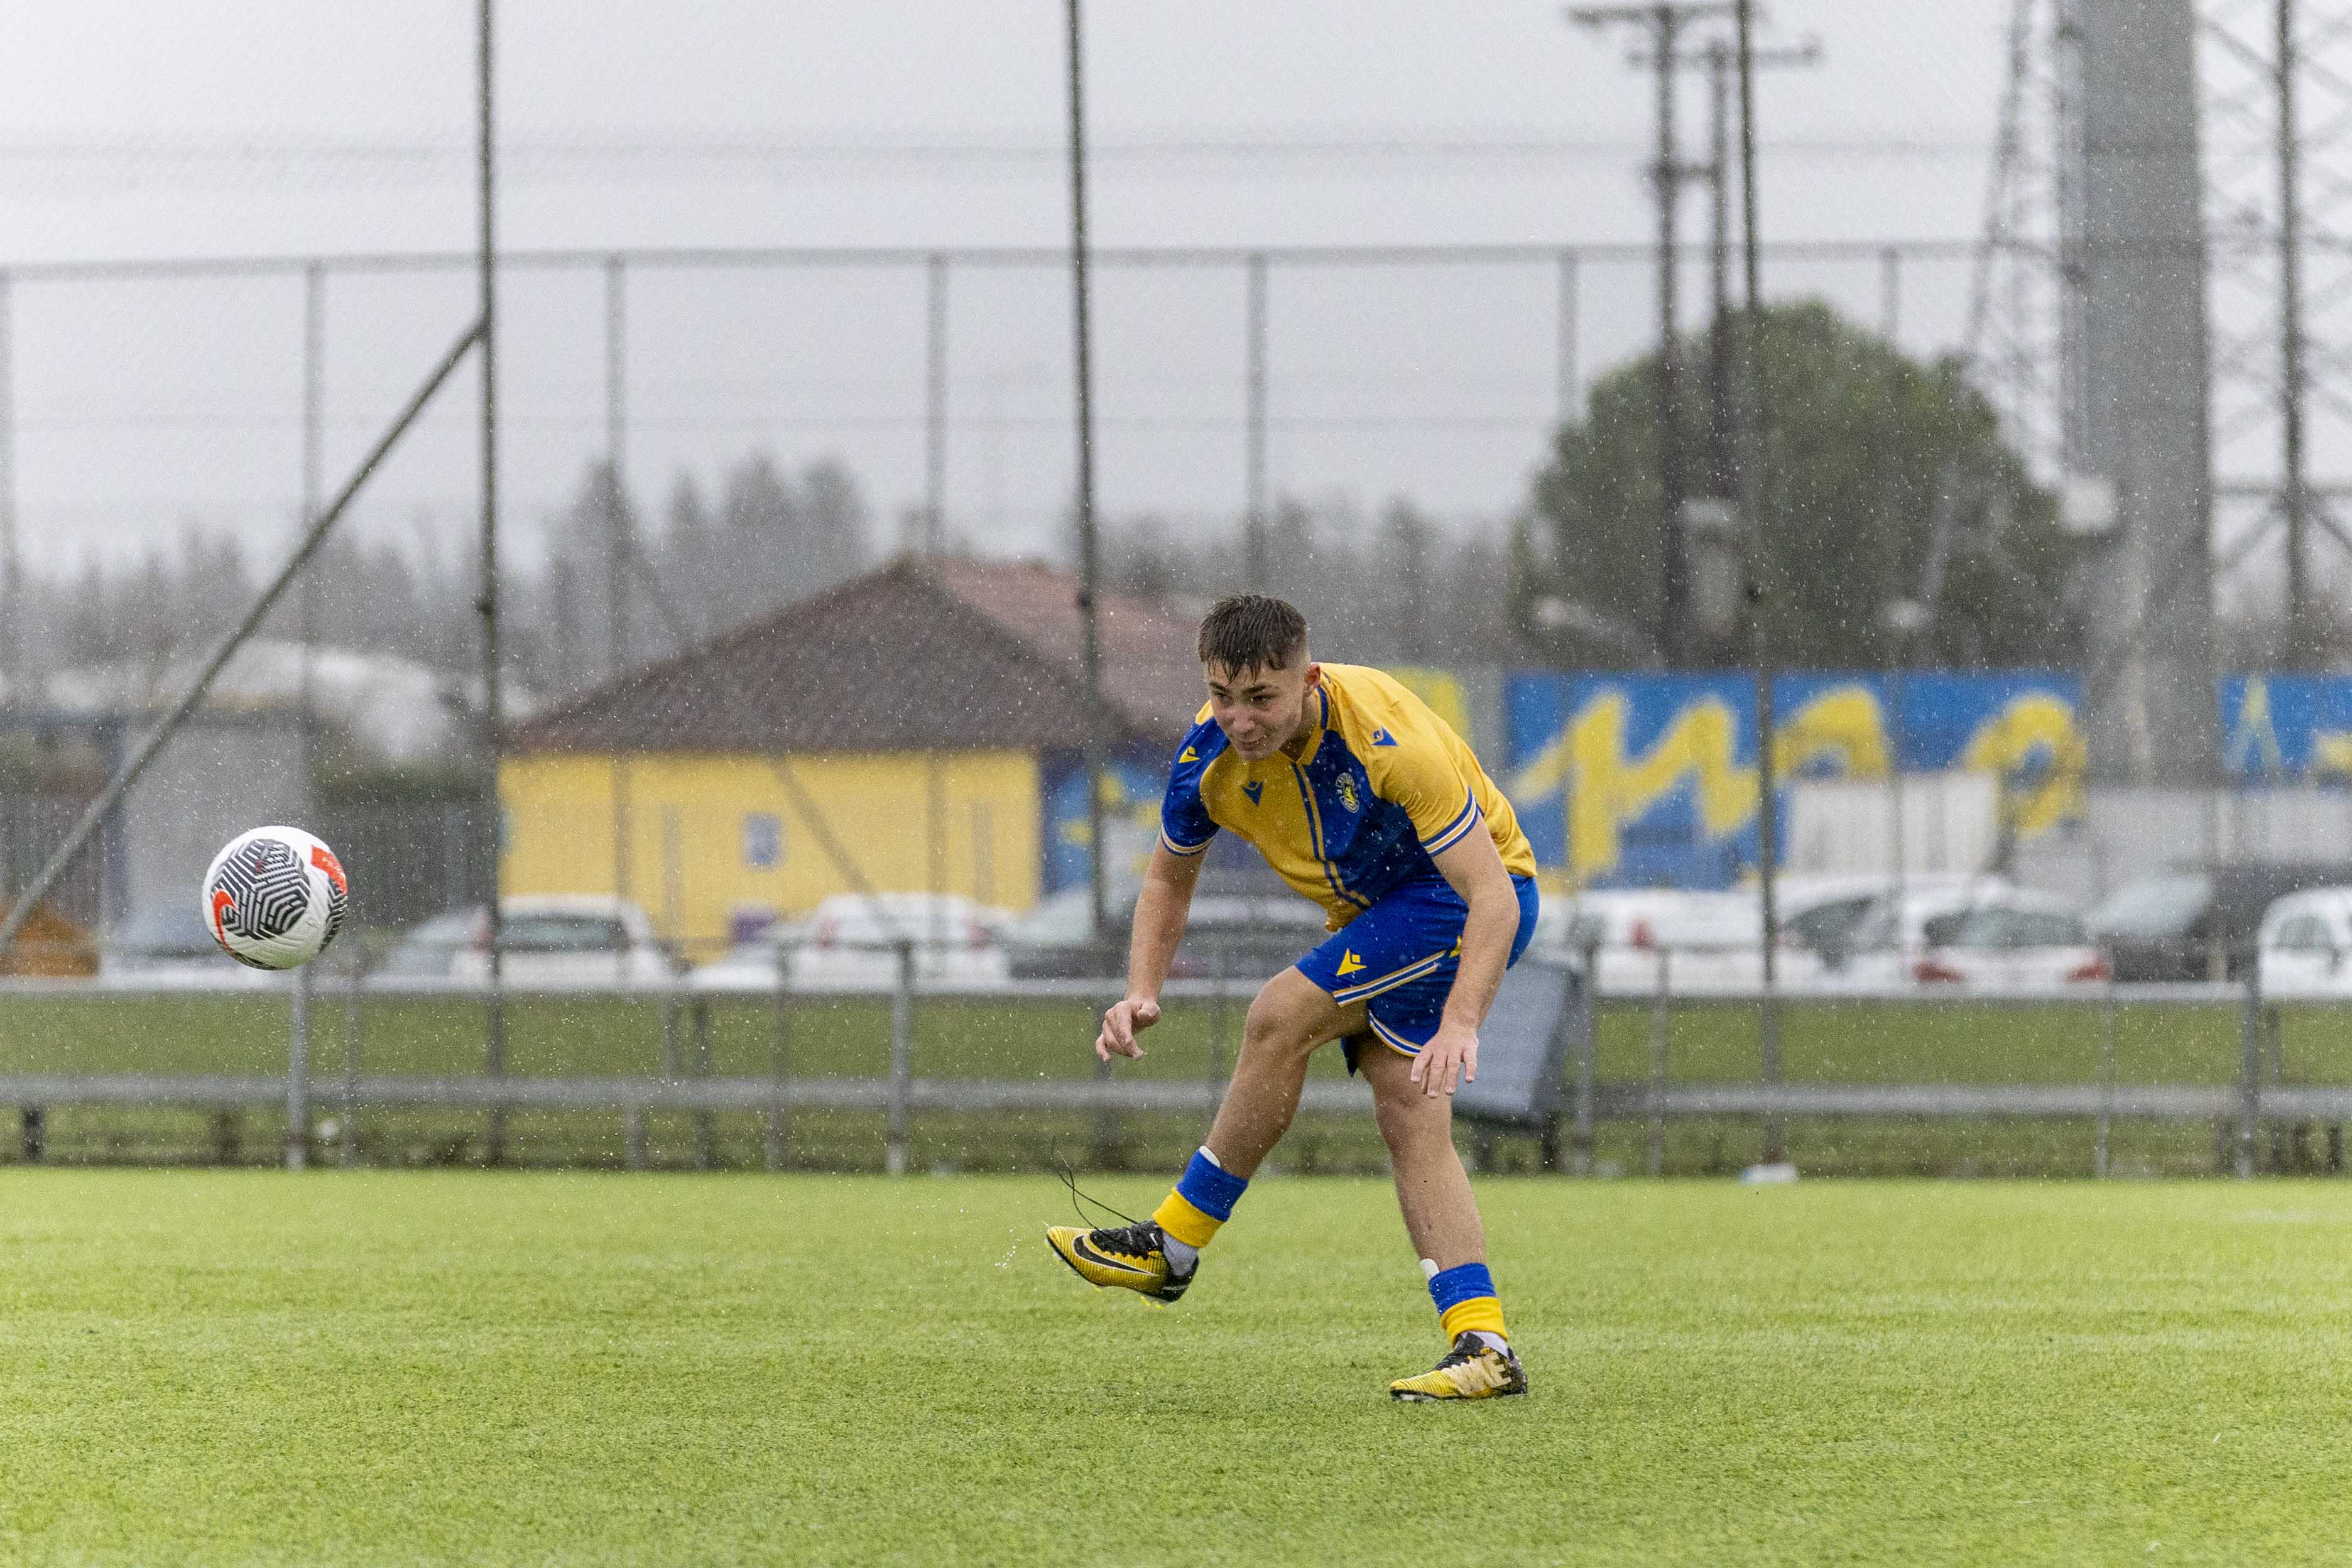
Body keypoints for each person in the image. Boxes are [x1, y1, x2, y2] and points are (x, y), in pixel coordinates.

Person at [1045, 594, 1542, 1401]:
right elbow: (1168, 879)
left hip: (1465, 900)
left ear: (1308, 680)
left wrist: (1462, 1022)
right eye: (1222, 695)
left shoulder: (1386, 741)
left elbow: (1493, 896)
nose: (1240, 720)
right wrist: (1140, 990)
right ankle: (1484, 1346)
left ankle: (1174, 1245)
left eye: (1261, 698)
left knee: (1279, 1016)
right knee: (1409, 1117)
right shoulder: (1206, 758)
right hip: (1381, 916)